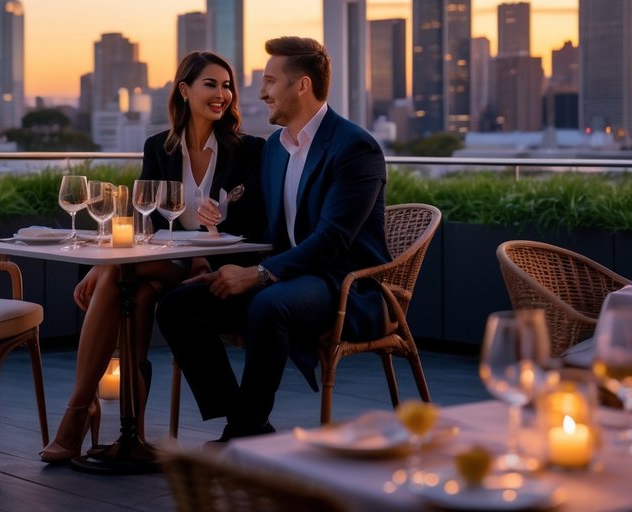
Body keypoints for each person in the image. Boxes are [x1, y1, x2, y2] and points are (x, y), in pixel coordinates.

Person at [156, 36, 390, 442]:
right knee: (178, 305)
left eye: (269, 81)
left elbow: (332, 240)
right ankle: (248, 424)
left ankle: (242, 431)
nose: (260, 92)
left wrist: (260, 274)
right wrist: (219, 248)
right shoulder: (276, 150)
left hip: (343, 284)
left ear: (301, 85)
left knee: (268, 306)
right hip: (289, 275)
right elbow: (267, 230)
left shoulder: (355, 147)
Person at [40, 51, 264, 462]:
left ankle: (78, 412)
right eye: (211, 84)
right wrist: (99, 262)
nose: (223, 94)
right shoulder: (159, 148)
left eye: (227, 85)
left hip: (218, 267)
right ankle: (132, 436)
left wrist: (214, 227)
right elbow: (142, 221)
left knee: (117, 277)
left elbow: (257, 223)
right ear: (184, 90)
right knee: (138, 295)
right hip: (169, 261)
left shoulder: (249, 150)